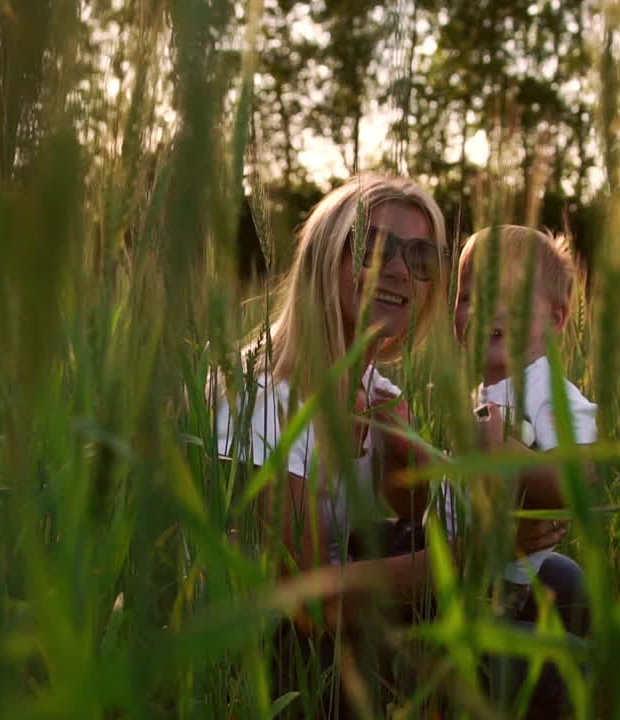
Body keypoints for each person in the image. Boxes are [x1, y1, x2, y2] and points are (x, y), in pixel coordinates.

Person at [211, 176, 573, 714]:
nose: (402, 270)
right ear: (326, 257)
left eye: (422, 257)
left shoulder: (373, 393)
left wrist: (512, 491)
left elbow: (422, 509)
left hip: (349, 610)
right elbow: (306, 601)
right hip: (277, 651)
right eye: (374, 246)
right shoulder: (264, 400)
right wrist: (475, 553)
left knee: (558, 579)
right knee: (506, 650)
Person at [454, 224, 596, 638]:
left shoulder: (547, 391)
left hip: (508, 585)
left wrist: (504, 449)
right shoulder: (487, 389)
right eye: (467, 297)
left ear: (555, 319)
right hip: (475, 570)